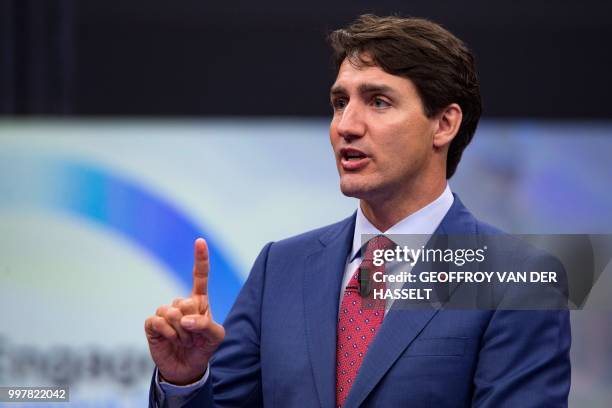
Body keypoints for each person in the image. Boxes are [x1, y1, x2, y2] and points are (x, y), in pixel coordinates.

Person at [145, 14, 571, 407]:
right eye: (339, 103)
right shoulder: (281, 267)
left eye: (378, 101)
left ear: (444, 124)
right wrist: (187, 381)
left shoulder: (519, 280)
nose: (346, 125)